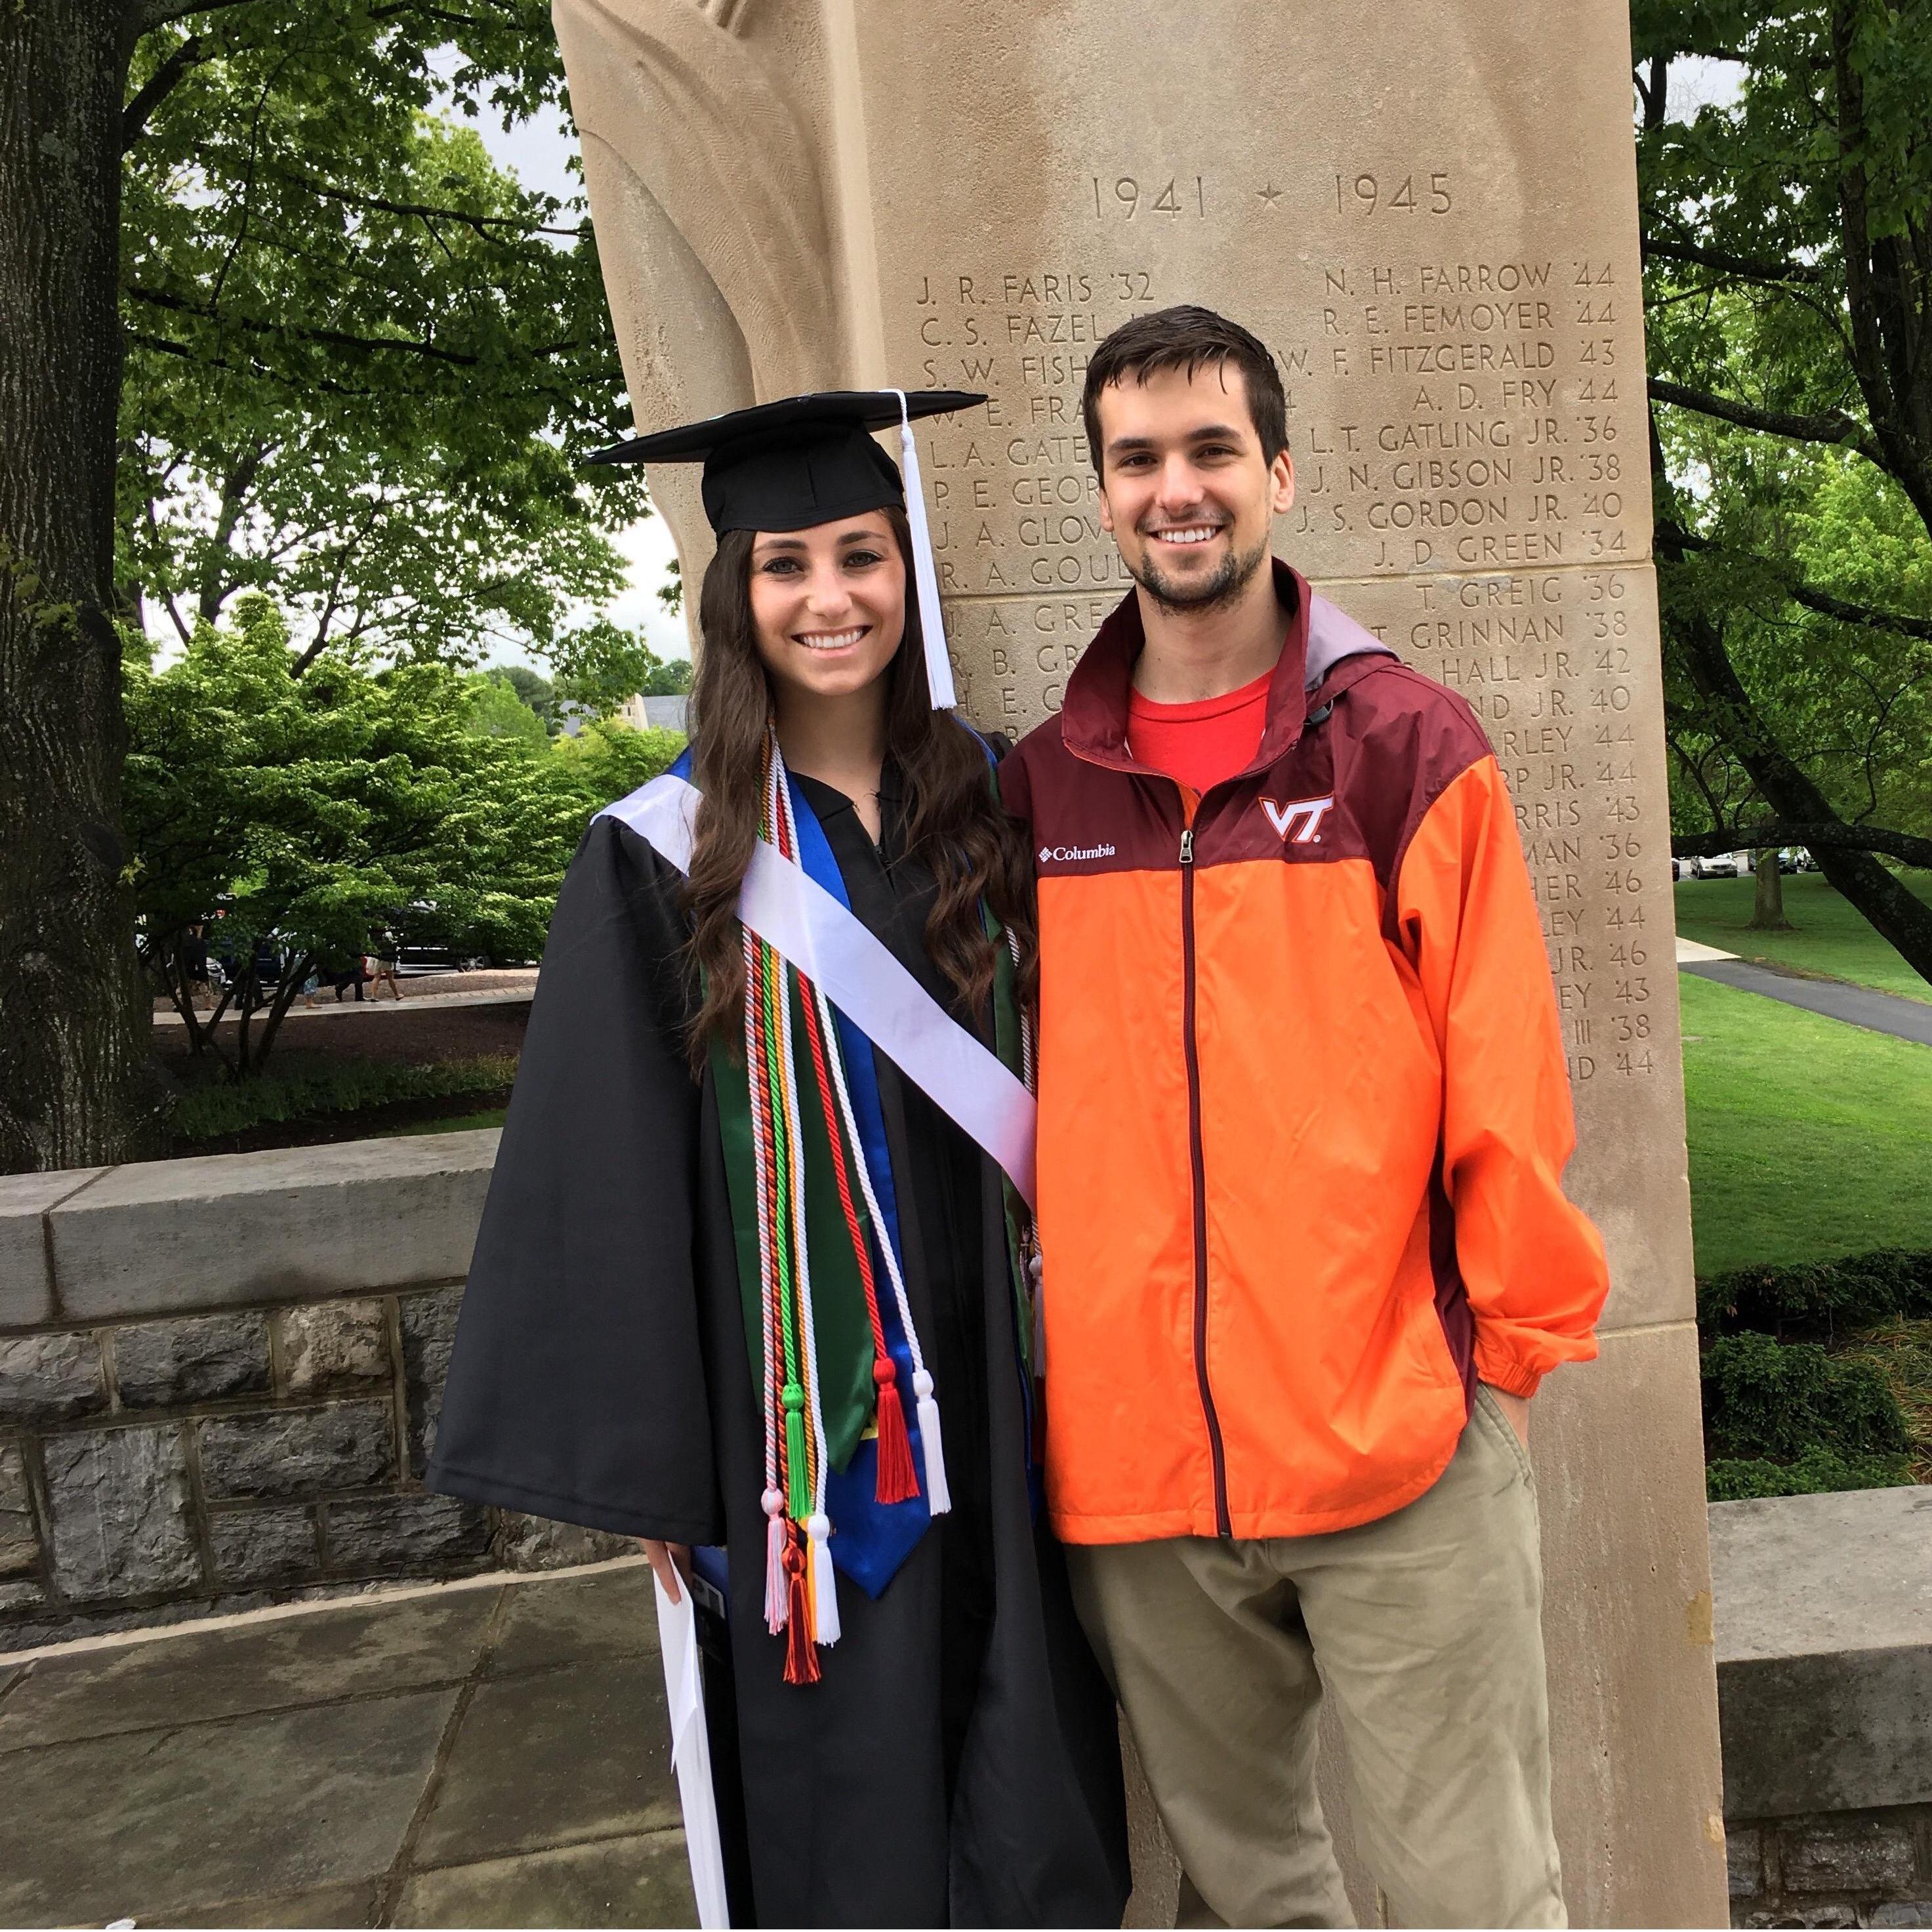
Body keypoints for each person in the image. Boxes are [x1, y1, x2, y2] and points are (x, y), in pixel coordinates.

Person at [427, 390, 1130, 1928]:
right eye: (787, 564)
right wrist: (676, 1484)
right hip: (807, 1430)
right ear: (734, 596)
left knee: (1030, 1761)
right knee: (848, 1788)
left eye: (863, 557)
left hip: (1005, 1386)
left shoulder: (993, 808)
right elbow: (610, 1186)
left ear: (908, 575)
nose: (831, 599)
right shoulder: (662, 853)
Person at [998, 306, 1612, 1929]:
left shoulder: (1406, 747)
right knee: (1253, 1903)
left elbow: (1509, 1091)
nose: (1175, 488)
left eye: (1211, 451)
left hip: (1398, 1452)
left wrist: (1500, 1376)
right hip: (1140, 1490)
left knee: (1477, 1901)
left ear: (1277, 470)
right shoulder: (1040, 788)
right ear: (1104, 492)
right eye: (1138, 459)